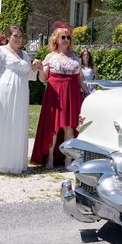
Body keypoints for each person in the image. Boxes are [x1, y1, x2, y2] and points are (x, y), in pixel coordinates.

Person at [0, 25, 42, 174]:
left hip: (21, 95)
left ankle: (11, 162)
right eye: (15, 36)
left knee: (15, 124)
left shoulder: (25, 55)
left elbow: (29, 76)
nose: (18, 39)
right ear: (8, 37)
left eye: (20, 36)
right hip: (1, 93)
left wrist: (35, 68)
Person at [31, 27, 89, 169]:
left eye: (68, 37)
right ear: (56, 39)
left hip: (72, 94)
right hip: (55, 94)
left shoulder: (75, 56)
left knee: (70, 127)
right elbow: (44, 79)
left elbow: (80, 78)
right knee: (54, 127)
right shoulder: (50, 57)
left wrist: (87, 94)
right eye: (63, 37)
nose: (66, 40)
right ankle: (50, 157)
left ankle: (67, 160)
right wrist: (39, 69)